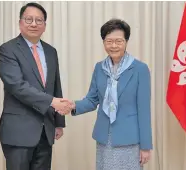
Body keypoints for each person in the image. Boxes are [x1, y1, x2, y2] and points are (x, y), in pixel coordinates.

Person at [61, 18, 153, 170]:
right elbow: (92, 99)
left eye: (119, 41)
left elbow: (144, 110)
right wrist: (73, 105)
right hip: (105, 137)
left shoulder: (140, 69)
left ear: (126, 41)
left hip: (129, 139)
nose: (114, 45)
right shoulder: (99, 68)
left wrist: (145, 146)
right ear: (103, 42)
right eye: (109, 41)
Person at [0, 2, 71, 170]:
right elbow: (16, 86)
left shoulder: (51, 51)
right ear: (20, 22)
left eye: (39, 20)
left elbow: (55, 86)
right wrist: (52, 102)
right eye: (29, 19)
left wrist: (58, 122)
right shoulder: (7, 50)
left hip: (46, 130)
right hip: (18, 131)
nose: (34, 24)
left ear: (45, 25)